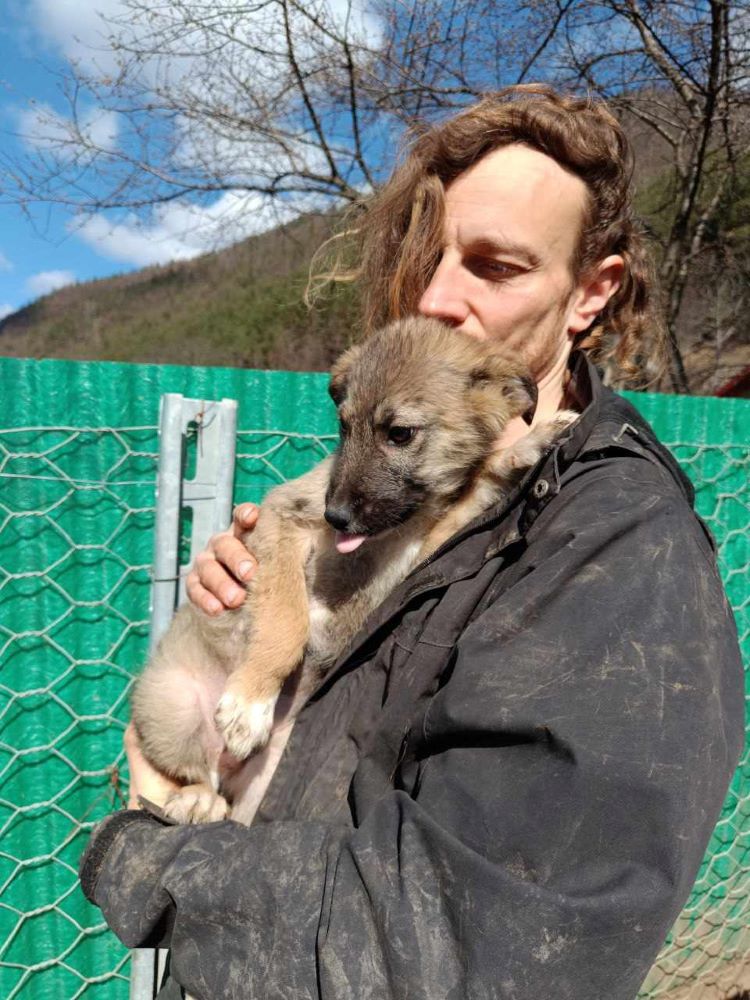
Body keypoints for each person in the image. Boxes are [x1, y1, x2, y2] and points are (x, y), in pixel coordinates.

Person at [80, 85, 744, 1000]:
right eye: (428, 255)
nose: (436, 296)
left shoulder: (621, 554)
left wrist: (148, 859)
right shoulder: (438, 455)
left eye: (496, 266)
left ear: (592, 294)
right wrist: (248, 619)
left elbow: (450, 955)